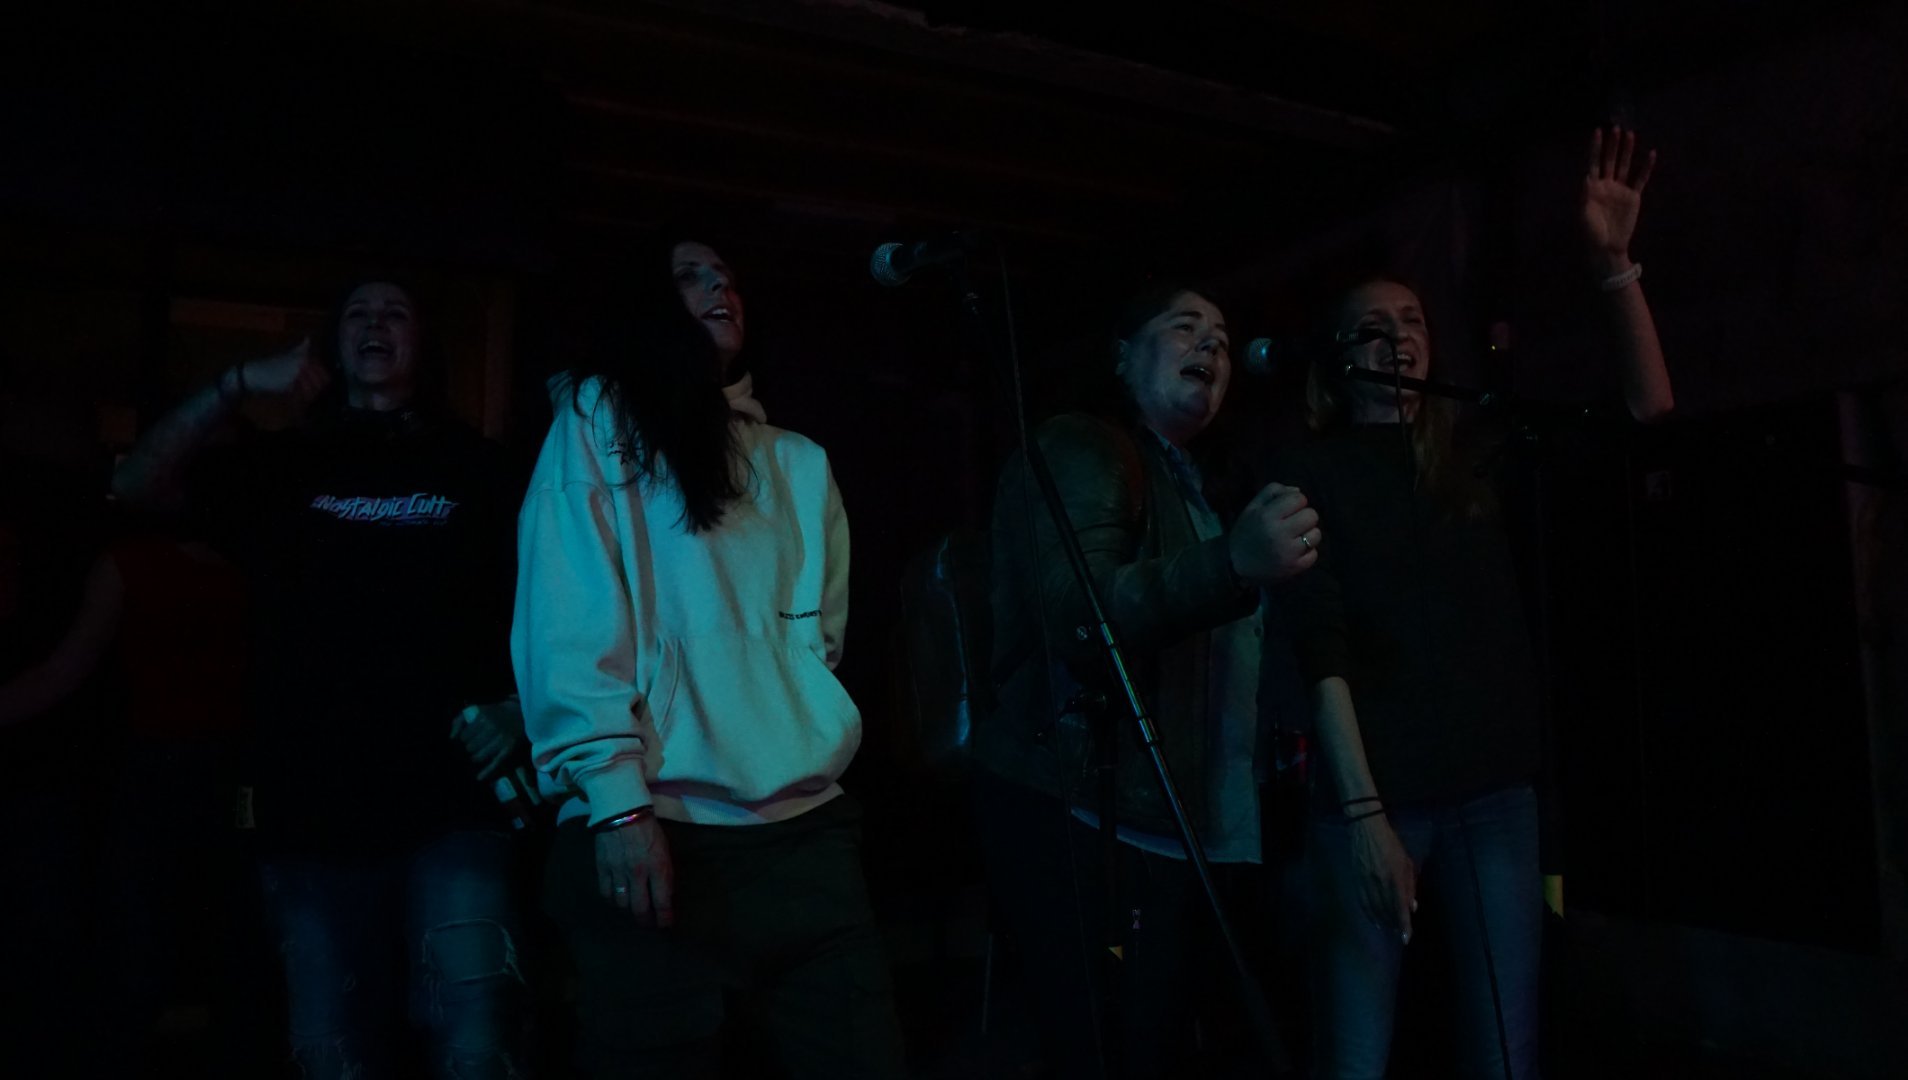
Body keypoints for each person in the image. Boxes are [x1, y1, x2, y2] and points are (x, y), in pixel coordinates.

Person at [1274, 126, 1674, 1080]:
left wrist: (1613, 266)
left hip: (1494, 793)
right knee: (1357, 1052)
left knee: (1505, 1048)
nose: (1399, 337)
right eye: (1374, 326)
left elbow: (1648, 407)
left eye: (1412, 320)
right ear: (1338, 358)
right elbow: (1320, 649)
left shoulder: (1475, 455)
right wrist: (1364, 816)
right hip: (1377, 799)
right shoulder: (1311, 472)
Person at [112, 279, 531, 1079]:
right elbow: (137, 485)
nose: (376, 324)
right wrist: (236, 383)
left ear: (423, 343)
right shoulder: (283, 464)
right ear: (334, 343)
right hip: (310, 805)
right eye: (358, 314)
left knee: (475, 1043)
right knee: (331, 1049)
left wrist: (520, 707)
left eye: (396, 311)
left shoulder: (481, 467)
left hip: (453, 798)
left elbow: (553, 603)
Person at [514, 233, 907, 1079]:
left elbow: (820, 636)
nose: (718, 287)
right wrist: (618, 805)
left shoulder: (798, 460)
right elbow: (567, 619)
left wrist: (788, 705)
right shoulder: (597, 418)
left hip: (805, 829)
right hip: (660, 825)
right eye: (690, 277)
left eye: (727, 276)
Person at [975, 281, 1320, 1078]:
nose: (1211, 345)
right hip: (1097, 817)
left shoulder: (1202, 483)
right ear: (1123, 356)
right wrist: (1231, 564)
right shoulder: (1083, 447)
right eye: (1184, 327)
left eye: (1222, 337)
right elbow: (1079, 616)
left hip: (1193, 829)